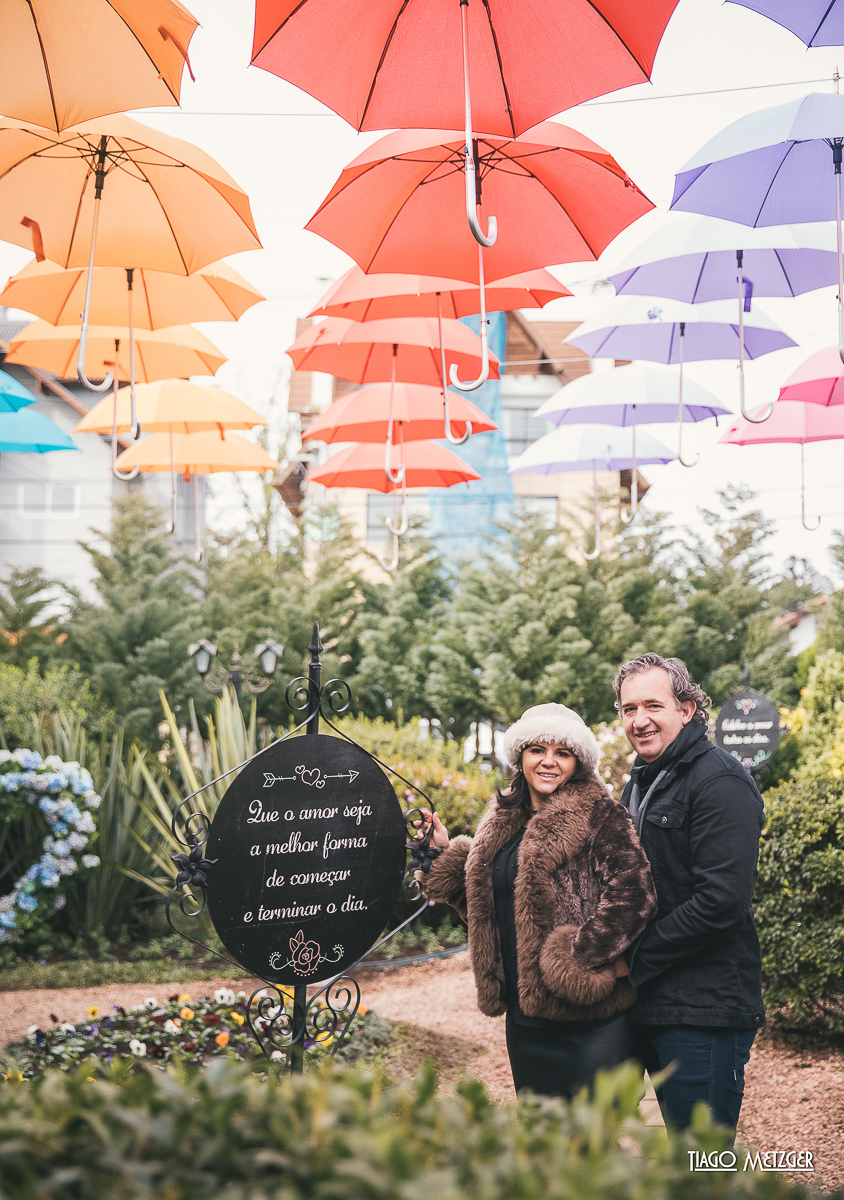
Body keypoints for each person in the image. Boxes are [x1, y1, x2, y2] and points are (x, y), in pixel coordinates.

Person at [414, 702, 656, 1099]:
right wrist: (444, 859)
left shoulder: (601, 813)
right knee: (540, 1143)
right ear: (519, 756)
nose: (549, 762)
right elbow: (489, 906)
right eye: (537, 750)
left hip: (589, 1017)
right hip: (525, 1019)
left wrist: (578, 958)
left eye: (562, 752)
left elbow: (634, 894)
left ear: (578, 762)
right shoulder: (501, 821)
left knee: (589, 1145)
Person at [614, 653, 765, 1133]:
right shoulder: (642, 782)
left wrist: (630, 960)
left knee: (701, 1164)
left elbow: (720, 900)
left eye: (653, 705)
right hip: (645, 1001)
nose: (640, 720)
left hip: (704, 1008)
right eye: (628, 708)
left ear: (687, 708)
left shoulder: (718, 780)